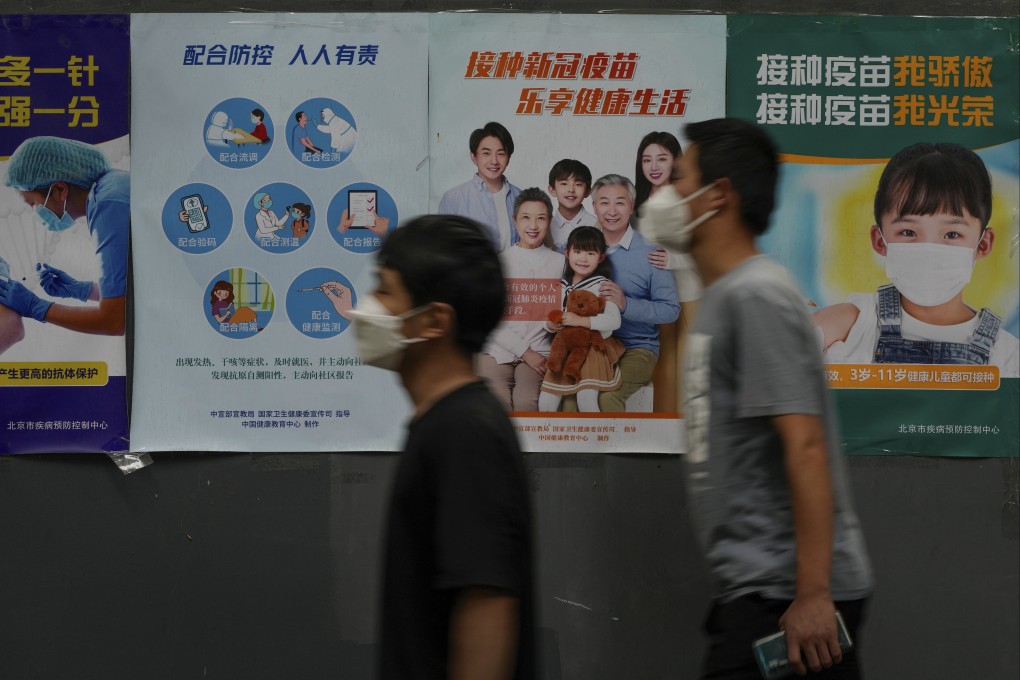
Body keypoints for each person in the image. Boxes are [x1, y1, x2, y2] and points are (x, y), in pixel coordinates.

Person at [644, 117, 874, 679]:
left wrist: (814, 595)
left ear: (718, 194)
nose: (663, 194)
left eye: (679, 178)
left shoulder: (758, 296)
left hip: (789, 603)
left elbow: (806, 446)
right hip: (756, 594)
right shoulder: (723, 298)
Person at [346, 214, 535, 680]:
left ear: (434, 321)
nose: (369, 306)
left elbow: (485, 603)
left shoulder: (466, 432)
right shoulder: (441, 423)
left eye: (386, 291)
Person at [814, 142, 1018, 376]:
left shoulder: (1007, 356)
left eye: (952, 234)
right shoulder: (852, 325)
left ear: (983, 244)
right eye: (908, 232)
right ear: (880, 240)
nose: (928, 250)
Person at [562, 174, 678, 412]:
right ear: (594, 207)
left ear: (632, 206)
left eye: (620, 202)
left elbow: (671, 310)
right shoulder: (582, 249)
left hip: (637, 348)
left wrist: (626, 304)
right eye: (604, 202)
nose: (612, 211)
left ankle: (610, 451)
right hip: (592, 345)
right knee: (569, 401)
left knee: (606, 398)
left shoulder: (651, 253)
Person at [0, 136, 128, 336]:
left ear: (60, 189)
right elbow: (129, 298)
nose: (35, 213)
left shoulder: (108, 206)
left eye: (33, 204)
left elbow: (116, 321)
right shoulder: (111, 188)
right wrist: (82, 290)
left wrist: (37, 307)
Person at [477, 188, 564, 412]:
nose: (533, 226)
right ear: (515, 220)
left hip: (540, 353)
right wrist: (525, 352)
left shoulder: (561, 263)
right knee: (498, 405)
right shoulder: (499, 262)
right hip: (496, 351)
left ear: (549, 221)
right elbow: (490, 318)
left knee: (526, 403)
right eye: (526, 218)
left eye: (541, 218)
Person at [539, 226, 624, 412]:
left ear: (600, 257)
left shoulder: (602, 286)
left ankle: (595, 441)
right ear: (567, 252)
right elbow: (545, 318)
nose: (583, 258)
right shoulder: (559, 286)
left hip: (593, 349)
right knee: (545, 403)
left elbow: (614, 321)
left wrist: (580, 321)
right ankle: (550, 441)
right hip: (564, 348)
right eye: (577, 251)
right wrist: (552, 325)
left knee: (586, 401)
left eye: (590, 253)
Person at [438, 121, 521, 252]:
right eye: (486, 153)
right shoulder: (454, 198)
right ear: (473, 157)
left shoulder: (520, 197)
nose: (494, 161)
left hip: (515, 272)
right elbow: (444, 248)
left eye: (501, 153)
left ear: (508, 158)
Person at [546, 158, 597, 250]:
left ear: (588, 191)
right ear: (552, 190)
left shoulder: (595, 225)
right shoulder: (546, 227)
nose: (571, 190)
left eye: (578, 184)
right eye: (564, 184)